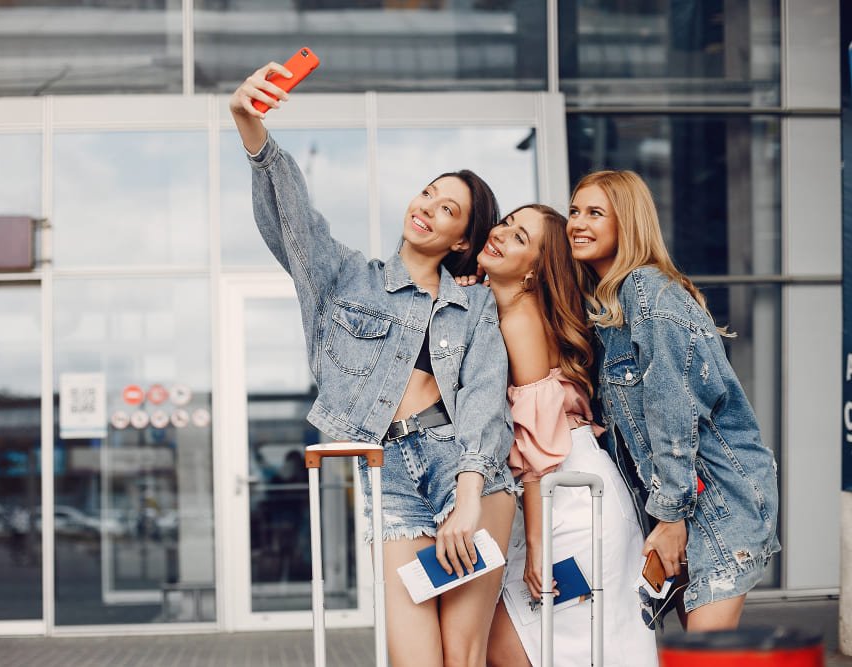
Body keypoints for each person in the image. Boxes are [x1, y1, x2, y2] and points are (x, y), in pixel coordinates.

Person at [230, 61, 516, 667]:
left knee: (463, 657)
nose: (427, 207)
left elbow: (486, 395)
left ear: (462, 240)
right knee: (415, 658)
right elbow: (294, 223)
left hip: (467, 472)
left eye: (447, 210)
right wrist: (249, 127)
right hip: (387, 473)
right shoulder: (345, 278)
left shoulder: (475, 305)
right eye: (428, 193)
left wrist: (468, 497)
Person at [566, 169, 781, 631]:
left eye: (595, 213)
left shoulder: (645, 288)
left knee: (707, 656)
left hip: (712, 500)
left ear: (628, 222)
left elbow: (674, 411)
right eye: (574, 211)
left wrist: (669, 518)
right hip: (678, 503)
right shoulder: (609, 306)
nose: (578, 223)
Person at [463, 204, 658, 666]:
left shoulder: (521, 322)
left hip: (566, 496)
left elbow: (537, 453)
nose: (501, 234)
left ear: (533, 271)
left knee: (518, 645)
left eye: (520, 237)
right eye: (507, 223)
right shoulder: (507, 311)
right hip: (560, 491)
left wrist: (537, 547)